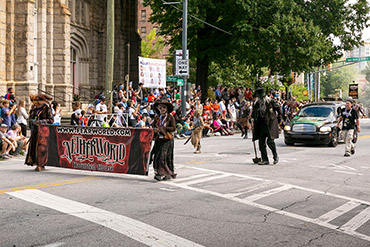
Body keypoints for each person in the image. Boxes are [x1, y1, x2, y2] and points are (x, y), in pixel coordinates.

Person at [252, 88, 282, 165]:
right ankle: (265, 159)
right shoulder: (257, 103)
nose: (260, 98)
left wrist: (279, 119)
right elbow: (254, 112)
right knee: (261, 142)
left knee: (270, 141)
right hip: (261, 125)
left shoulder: (270, 101)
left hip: (270, 123)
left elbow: (278, 109)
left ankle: (275, 156)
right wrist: (252, 119)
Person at [150, 98, 177, 181]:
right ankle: (159, 172)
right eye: (160, 108)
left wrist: (164, 129)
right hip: (159, 139)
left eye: (164, 107)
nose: (162, 109)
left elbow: (173, 128)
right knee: (157, 156)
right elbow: (153, 126)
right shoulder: (157, 118)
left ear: (167, 109)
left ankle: (164, 173)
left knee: (164, 156)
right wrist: (155, 129)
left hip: (167, 139)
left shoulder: (170, 117)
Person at [25, 94, 54, 171]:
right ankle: (36, 162)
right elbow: (30, 118)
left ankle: (41, 164)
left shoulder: (47, 109)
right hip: (35, 130)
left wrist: (40, 122)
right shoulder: (34, 109)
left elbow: (51, 120)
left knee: (41, 148)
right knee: (34, 147)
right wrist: (32, 121)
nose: (36, 102)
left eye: (38, 100)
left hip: (43, 132)